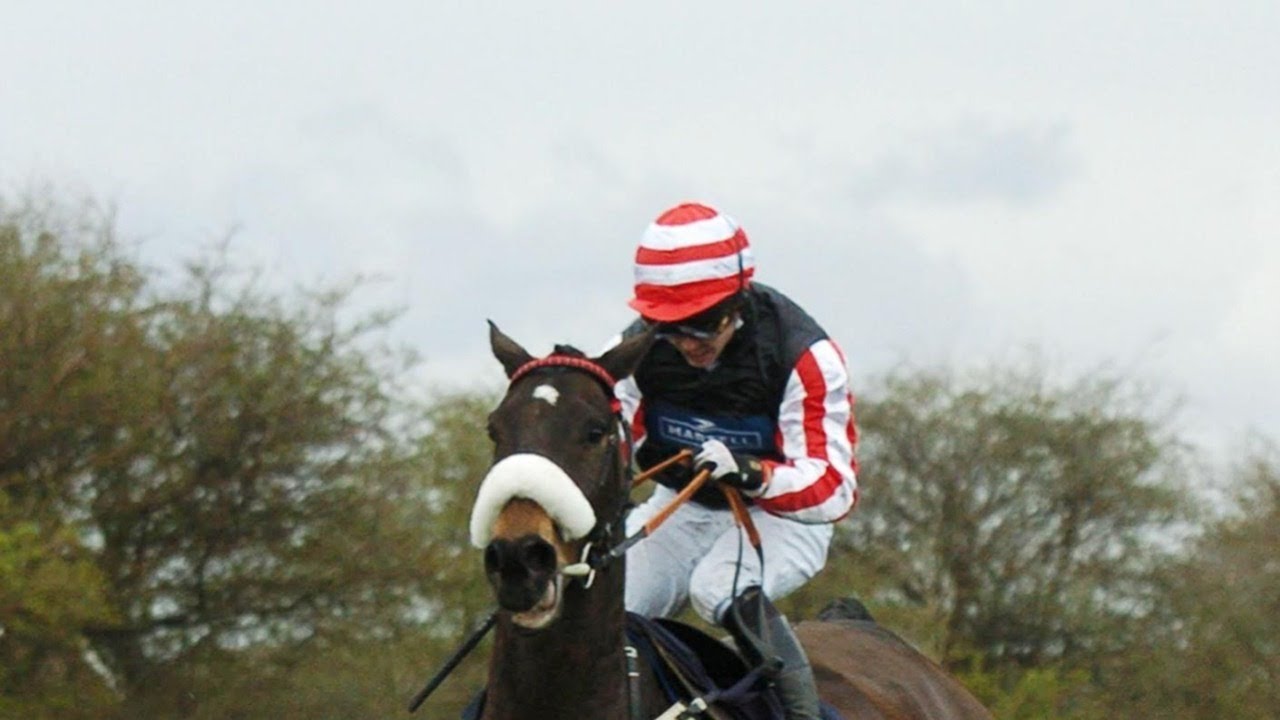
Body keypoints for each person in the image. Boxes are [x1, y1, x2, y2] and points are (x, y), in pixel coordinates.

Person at [613, 201, 859, 720]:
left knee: (717, 586)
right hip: (681, 508)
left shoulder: (804, 356)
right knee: (606, 597)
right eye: (669, 327)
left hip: (779, 518)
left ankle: (802, 717)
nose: (688, 344)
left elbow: (834, 487)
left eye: (703, 324)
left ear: (738, 298)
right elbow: (611, 438)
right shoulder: (634, 350)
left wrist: (753, 474)